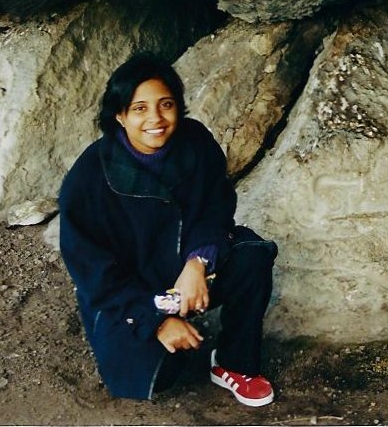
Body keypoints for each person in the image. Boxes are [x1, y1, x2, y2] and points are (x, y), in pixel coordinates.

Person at [59, 52, 278, 405]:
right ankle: (164, 326)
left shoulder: (196, 142)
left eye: (166, 104)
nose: (156, 119)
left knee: (252, 258)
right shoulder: (87, 182)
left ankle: (232, 363)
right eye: (140, 108)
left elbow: (215, 208)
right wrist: (155, 320)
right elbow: (93, 275)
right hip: (133, 293)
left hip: (187, 274)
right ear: (120, 115)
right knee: (161, 378)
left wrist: (198, 262)